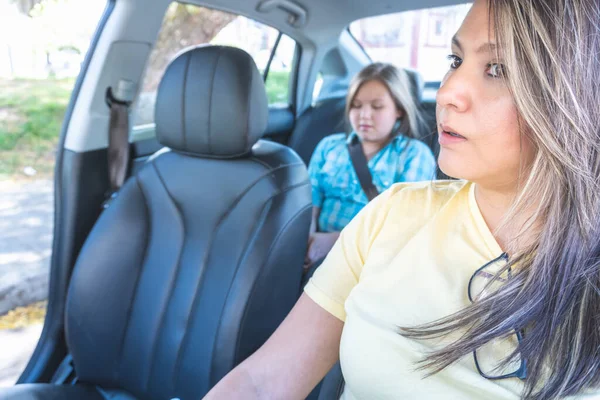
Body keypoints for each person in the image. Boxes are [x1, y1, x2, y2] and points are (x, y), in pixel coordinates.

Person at [205, 0, 600, 398]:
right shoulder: (393, 214)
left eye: (497, 69)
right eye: (455, 59)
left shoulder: (411, 159)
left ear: (581, 95)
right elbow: (262, 382)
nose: (446, 92)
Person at [305, 63, 436, 270]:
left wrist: (334, 242)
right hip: (314, 251)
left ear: (399, 110)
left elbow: (404, 227)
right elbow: (309, 203)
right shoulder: (329, 147)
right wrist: (307, 239)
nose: (364, 115)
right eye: (356, 105)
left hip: (373, 262)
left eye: (377, 106)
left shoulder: (413, 155)